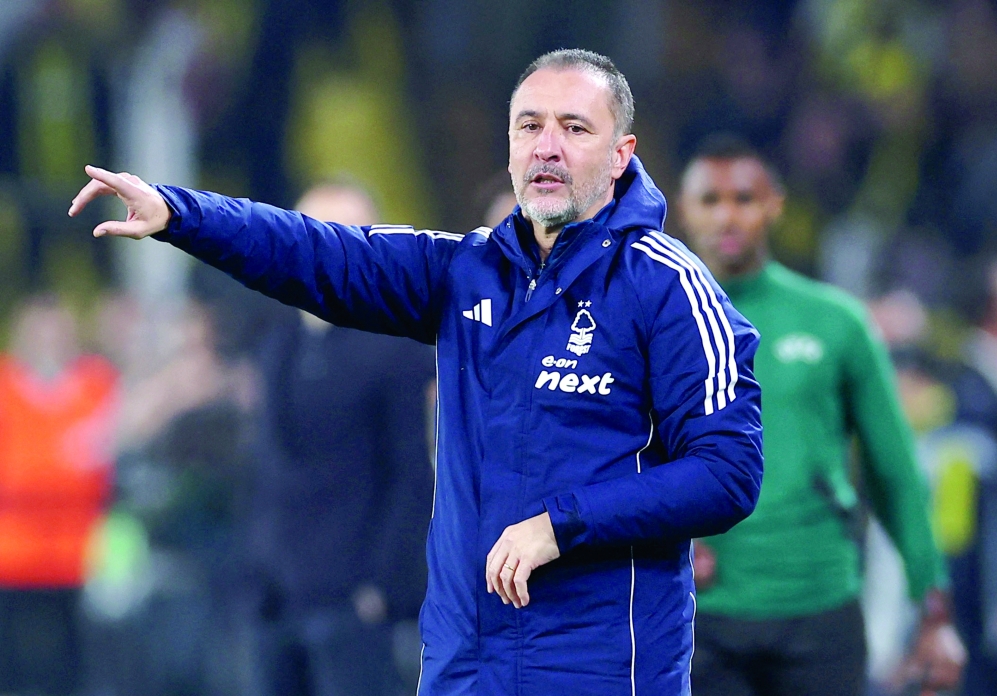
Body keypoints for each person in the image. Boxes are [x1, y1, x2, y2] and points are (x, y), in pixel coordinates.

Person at [69, 49, 764, 695]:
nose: (547, 146)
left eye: (574, 127)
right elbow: (319, 253)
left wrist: (563, 523)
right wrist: (180, 214)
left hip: (600, 663)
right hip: (466, 661)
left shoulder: (668, 287)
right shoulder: (466, 272)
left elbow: (728, 472)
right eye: (530, 126)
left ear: (621, 155)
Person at [676, 134, 966, 696]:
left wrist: (933, 608)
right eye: (710, 200)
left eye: (744, 198)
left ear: (775, 204)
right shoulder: (656, 323)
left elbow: (896, 475)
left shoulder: (837, 323)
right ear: (684, 209)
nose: (727, 215)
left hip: (819, 605)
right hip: (699, 614)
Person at [250, 182, 435, 696]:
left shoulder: (398, 343)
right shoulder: (277, 337)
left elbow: (414, 475)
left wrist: (380, 587)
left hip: (356, 603)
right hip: (277, 597)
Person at [0, 294, 118, 696]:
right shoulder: (5, 386)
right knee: (14, 666)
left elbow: (109, 458)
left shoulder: (97, 383)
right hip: (13, 556)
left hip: (81, 554)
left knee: (78, 666)